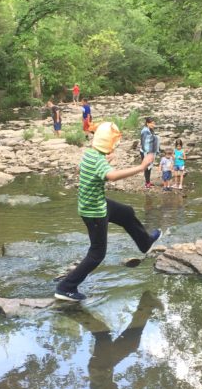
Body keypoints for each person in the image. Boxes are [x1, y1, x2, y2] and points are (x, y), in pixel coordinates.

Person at [55, 121, 162, 302]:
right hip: (94, 212)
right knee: (97, 253)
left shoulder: (90, 154)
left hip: (94, 204)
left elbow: (84, 168)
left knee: (126, 212)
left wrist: (105, 160)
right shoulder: (97, 160)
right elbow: (111, 176)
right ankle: (66, 287)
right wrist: (141, 167)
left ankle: (145, 243)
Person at [139, 117, 159, 189]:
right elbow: (145, 143)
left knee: (149, 167)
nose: (154, 125)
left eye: (154, 123)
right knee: (147, 167)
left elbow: (151, 140)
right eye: (152, 123)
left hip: (149, 152)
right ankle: (147, 183)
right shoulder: (145, 131)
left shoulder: (150, 129)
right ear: (148, 123)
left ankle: (148, 182)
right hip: (145, 152)